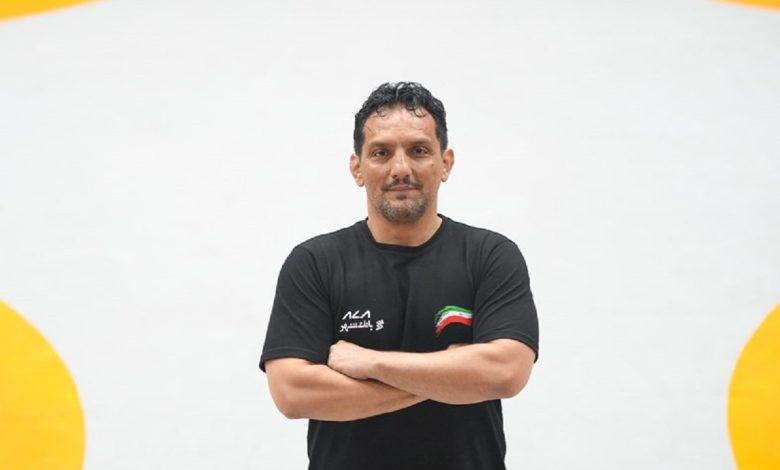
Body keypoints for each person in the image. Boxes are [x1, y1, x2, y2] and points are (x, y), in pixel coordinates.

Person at [260, 82, 539, 470]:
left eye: (419, 150)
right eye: (381, 153)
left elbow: (506, 372)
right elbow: (292, 393)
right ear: (357, 168)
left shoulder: (489, 256)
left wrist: (371, 363)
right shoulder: (315, 263)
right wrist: (454, 376)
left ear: (446, 163)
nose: (401, 168)